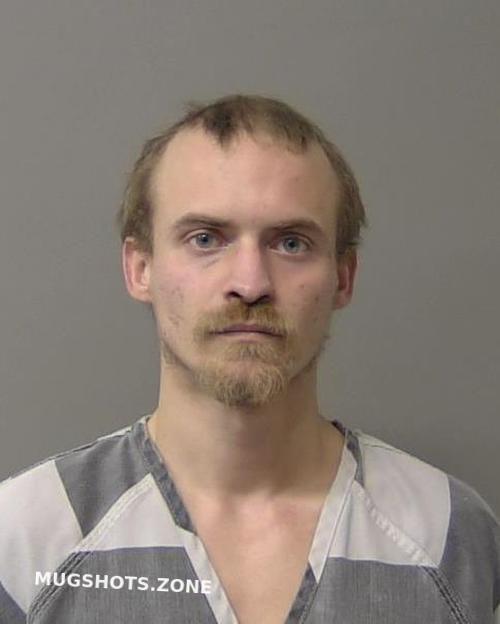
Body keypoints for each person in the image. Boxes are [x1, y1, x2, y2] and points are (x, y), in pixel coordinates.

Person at [0, 94, 498, 624]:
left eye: (291, 243)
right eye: (205, 239)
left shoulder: (449, 536)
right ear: (140, 268)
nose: (250, 283)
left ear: (343, 277)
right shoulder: (27, 536)